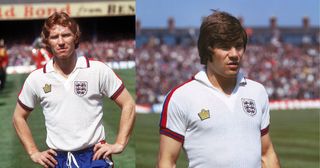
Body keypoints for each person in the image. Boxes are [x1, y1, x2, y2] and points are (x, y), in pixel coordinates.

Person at [157, 10, 280, 168]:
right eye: (225, 47)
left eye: (238, 46)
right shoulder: (181, 97)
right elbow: (166, 162)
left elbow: (267, 154)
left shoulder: (257, 92)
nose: (234, 54)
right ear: (208, 50)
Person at [12, 12, 136, 168]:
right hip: (58, 160)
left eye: (66, 35)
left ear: (76, 38)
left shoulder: (97, 70)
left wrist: (119, 143)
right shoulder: (36, 79)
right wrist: (33, 152)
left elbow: (128, 103)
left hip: (95, 156)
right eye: (54, 37)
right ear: (47, 42)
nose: (61, 42)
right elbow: (18, 117)